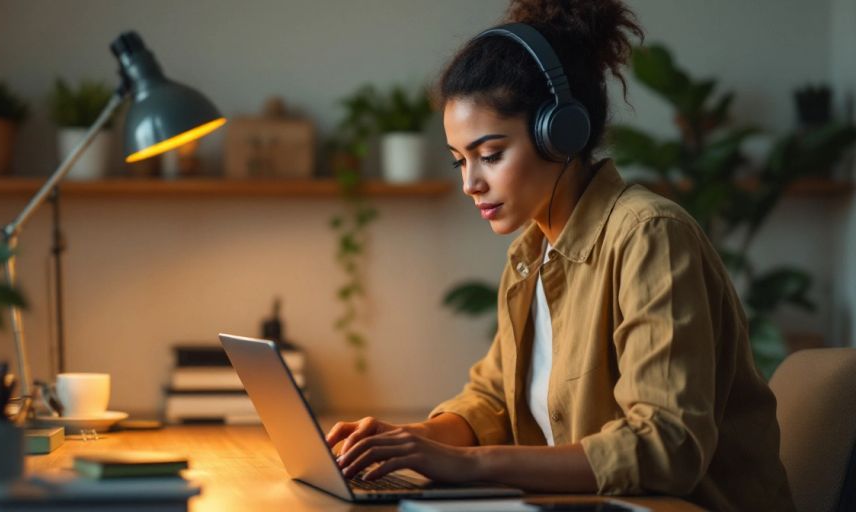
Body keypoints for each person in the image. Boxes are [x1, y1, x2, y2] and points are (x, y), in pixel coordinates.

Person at [324, 1, 796, 510]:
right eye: (460, 160)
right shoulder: (531, 253)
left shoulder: (650, 236)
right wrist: (410, 439)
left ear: (560, 132)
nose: (470, 183)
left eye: (490, 155)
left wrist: (467, 465)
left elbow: (667, 446)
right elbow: (491, 400)